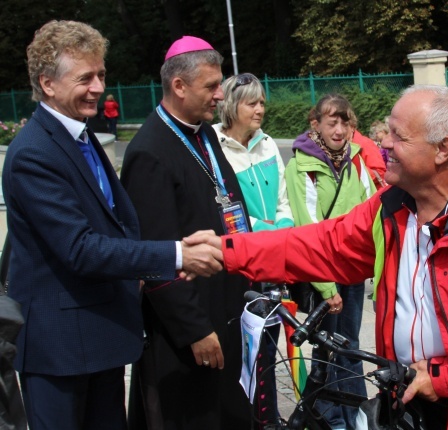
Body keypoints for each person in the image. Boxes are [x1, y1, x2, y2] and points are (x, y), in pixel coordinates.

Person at [195, 84, 448, 429]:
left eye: (397, 135)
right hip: (412, 405)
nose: (382, 142)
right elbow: (319, 246)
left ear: (442, 149)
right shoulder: (392, 209)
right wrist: (224, 251)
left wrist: (442, 379)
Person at [1, 21, 222, 430]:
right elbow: (81, 248)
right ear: (47, 84)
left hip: (98, 338)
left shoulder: (79, 137)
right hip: (61, 349)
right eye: (85, 78)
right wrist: (175, 254)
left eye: (101, 74)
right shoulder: (33, 153)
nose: (99, 87)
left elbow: (117, 220)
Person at [120, 36, 252, 430]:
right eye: (211, 86)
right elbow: (154, 253)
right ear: (179, 86)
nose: (219, 96)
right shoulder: (149, 151)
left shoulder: (205, 133)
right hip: (190, 329)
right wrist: (194, 329)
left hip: (226, 306)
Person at [286, 93, 375, 429]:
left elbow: (371, 213)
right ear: (316, 125)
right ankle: (333, 417)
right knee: (328, 349)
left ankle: (353, 416)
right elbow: (308, 232)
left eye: (345, 122)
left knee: (348, 347)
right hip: (324, 275)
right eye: (331, 122)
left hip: (352, 273)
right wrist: (325, 287)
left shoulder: (356, 160)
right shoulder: (302, 167)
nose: (339, 130)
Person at [213, 72, 294, 425]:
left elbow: (283, 203)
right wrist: (266, 232)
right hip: (239, 262)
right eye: (252, 103)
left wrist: (284, 234)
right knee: (243, 349)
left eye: (262, 102)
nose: (260, 109)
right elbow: (223, 209)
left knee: (268, 351)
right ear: (231, 106)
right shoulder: (214, 146)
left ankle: (268, 417)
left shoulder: (268, 144)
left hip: (273, 261)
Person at [348, 111, 386, 190]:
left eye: (343, 124)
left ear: (352, 127)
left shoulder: (364, 143)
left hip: (372, 196)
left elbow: (380, 172)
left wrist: (355, 171)